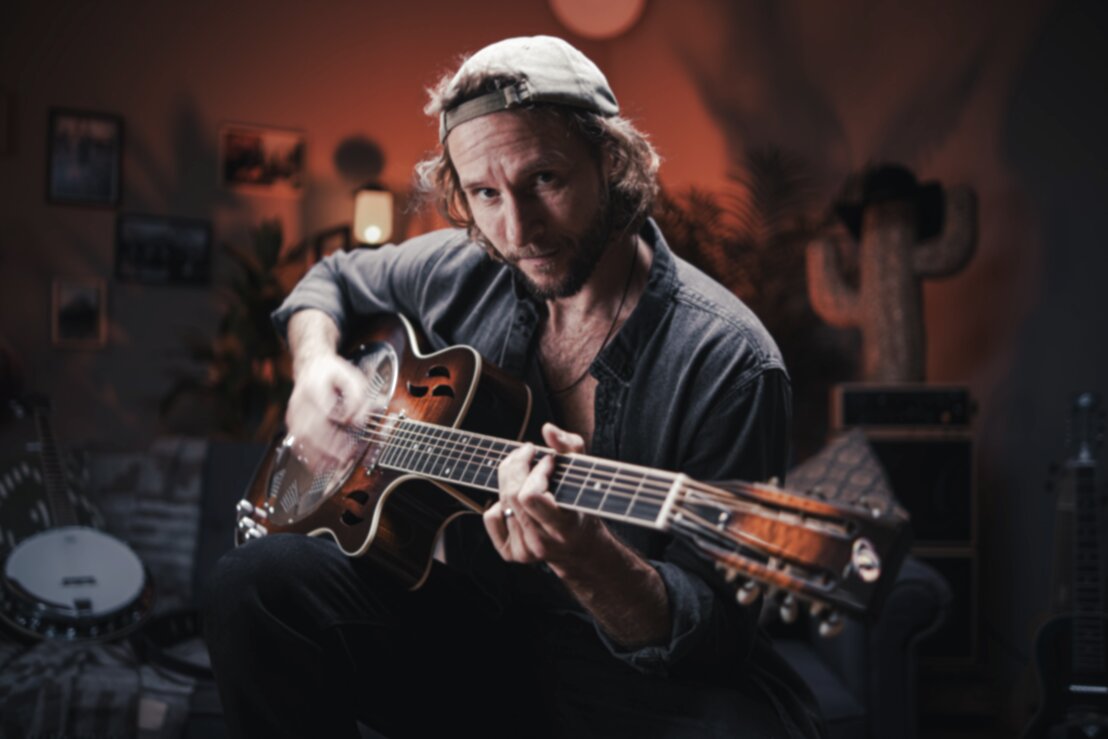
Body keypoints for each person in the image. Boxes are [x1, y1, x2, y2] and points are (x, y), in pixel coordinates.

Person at [204, 35, 823, 739]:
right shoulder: (465, 267)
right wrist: (316, 365)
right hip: (476, 636)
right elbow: (331, 279)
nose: (518, 229)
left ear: (612, 161)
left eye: (545, 180)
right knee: (251, 585)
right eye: (485, 194)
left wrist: (589, 559)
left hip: (628, 677)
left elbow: (714, 628)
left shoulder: (731, 361)